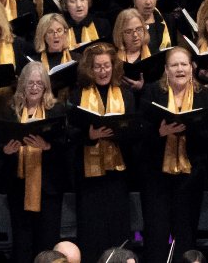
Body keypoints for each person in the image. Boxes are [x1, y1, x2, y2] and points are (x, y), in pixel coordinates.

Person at [138, 47, 208, 262]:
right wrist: (160, 132)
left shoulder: (206, 94)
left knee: (186, 230)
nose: (179, 69)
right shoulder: (153, 92)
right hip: (156, 176)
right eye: (174, 65)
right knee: (156, 231)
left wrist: (190, 129)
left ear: (191, 68)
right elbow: (140, 132)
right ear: (166, 69)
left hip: (191, 176)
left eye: (184, 64)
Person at [70, 43, 138, 257]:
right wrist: (89, 136)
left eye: (106, 66)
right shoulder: (78, 94)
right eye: (97, 67)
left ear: (113, 66)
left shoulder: (125, 95)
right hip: (89, 178)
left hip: (117, 174)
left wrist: (116, 133)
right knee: (92, 232)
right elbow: (70, 133)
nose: (103, 71)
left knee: (117, 231)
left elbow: (133, 130)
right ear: (89, 69)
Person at [0, 62, 67, 263]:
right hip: (18, 188)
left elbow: (65, 146)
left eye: (39, 83)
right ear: (22, 86)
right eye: (30, 83)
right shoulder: (11, 112)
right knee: (21, 244)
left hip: (48, 189)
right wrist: (6, 150)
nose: (35, 87)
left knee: (46, 243)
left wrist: (47, 147)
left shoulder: (56, 110)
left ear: (45, 86)